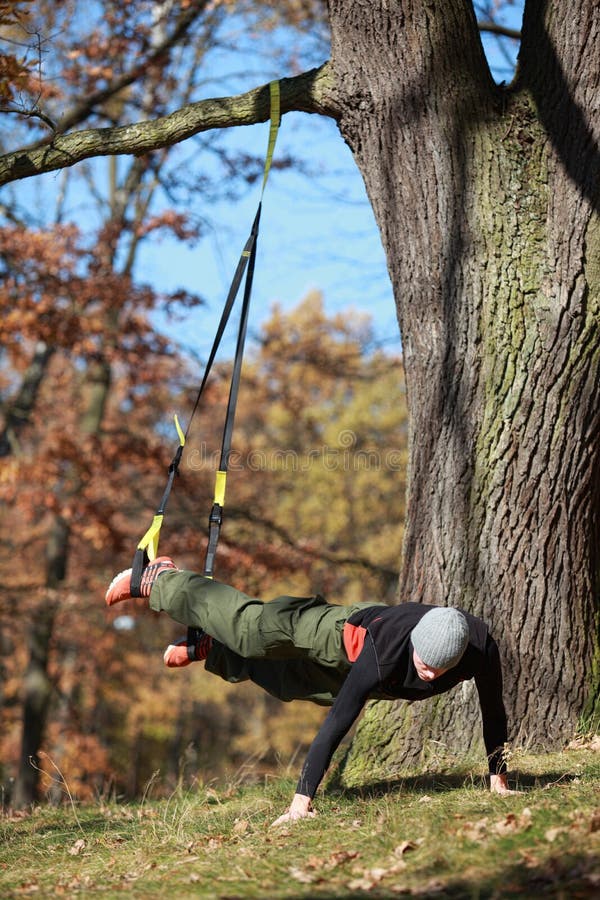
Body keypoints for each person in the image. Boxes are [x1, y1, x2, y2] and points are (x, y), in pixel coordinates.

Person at [105, 557, 517, 825]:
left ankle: (211, 648)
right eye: (423, 664)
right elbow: (338, 723)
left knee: (289, 683)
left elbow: (493, 711)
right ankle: (162, 581)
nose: (428, 676)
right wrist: (301, 802)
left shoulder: (481, 651)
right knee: (251, 632)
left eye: (438, 670)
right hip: (339, 632)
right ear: (413, 646)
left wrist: (497, 778)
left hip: (370, 673)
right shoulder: (385, 652)